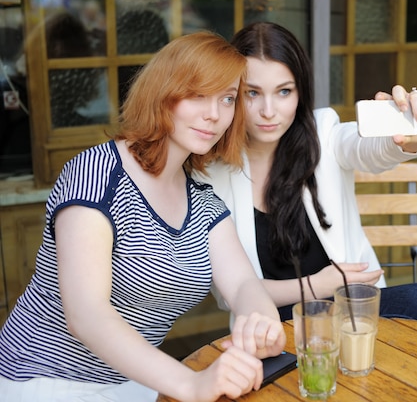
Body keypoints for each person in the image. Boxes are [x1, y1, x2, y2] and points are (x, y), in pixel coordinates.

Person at [0, 31, 286, 402]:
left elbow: (244, 284)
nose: (214, 115)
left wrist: (260, 319)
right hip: (42, 379)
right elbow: (86, 315)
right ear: (162, 92)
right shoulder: (97, 173)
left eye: (228, 99)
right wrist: (190, 383)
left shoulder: (200, 199)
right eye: (197, 95)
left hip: (132, 382)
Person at [198, 22, 417, 328]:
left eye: (284, 91)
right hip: (274, 323)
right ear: (231, 95)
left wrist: (414, 137)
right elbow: (229, 294)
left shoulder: (323, 133)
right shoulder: (210, 174)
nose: (268, 110)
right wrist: (316, 286)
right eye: (252, 93)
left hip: (351, 311)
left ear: (300, 92)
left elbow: (370, 148)